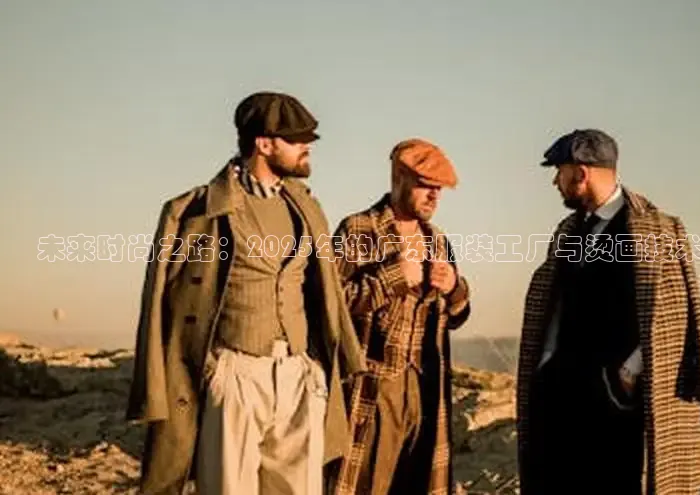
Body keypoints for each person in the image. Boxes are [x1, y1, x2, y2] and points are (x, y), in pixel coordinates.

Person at [126, 91, 367, 495]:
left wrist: (316, 366)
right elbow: (159, 306)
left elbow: (325, 295)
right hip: (235, 373)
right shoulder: (195, 211)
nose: (307, 146)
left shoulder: (307, 208)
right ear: (264, 144)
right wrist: (209, 372)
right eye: (295, 139)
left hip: (297, 374)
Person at [515, 129, 700, 494]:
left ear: (581, 173)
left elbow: (675, 313)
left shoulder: (657, 228)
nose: (555, 182)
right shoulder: (568, 230)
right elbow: (556, 302)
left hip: (615, 399)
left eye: (559, 172)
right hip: (559, 395)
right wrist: (544, 367)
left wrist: (628, 373)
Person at [328, 138, 471, 495]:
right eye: (426, 185)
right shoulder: (357, 229)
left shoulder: (438, 240)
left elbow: (458, 315)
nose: (434, 196)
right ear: (399, 179)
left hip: (427, 390)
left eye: (439, 189)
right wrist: (391, 278)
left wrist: (454, 287)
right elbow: (329, 306)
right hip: (372, 390)